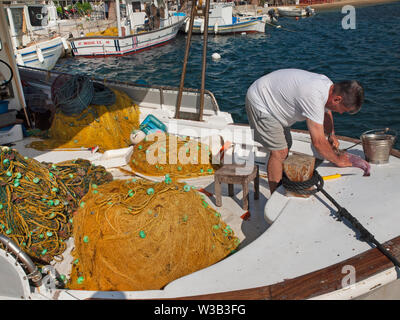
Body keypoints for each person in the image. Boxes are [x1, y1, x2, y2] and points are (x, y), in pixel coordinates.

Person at [245, 68, 364, 194]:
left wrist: (331, 134)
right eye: (343, 109)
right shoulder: (313, 95)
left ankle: (279, 174)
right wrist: (338, 160)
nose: (340, 113)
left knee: (286, 145)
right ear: (337, 99)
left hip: (273, 100)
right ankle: (276, 195)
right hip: (261, 102)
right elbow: (318, 142)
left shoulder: (328, 87)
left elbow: (327, 111)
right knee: (280, 152)